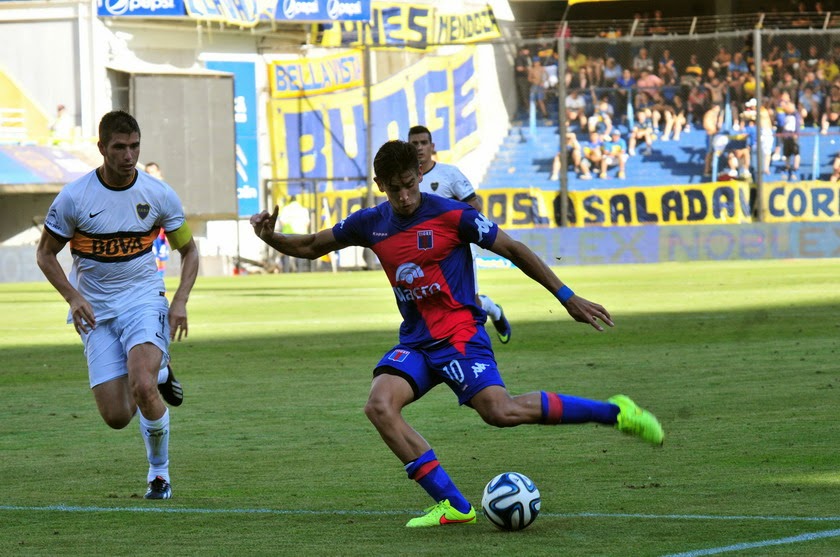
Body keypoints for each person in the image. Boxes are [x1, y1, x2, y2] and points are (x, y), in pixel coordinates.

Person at [250, 139, 664, 528]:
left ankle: (616, 412)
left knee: (499, 413)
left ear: (419, 175)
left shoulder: (452, 214)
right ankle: (453, 504)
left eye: (410, 185)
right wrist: (270, 237)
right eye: (394, 190)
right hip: (415, 341)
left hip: (460, 336)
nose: (405, 196)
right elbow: (308, 246)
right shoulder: (370, 223)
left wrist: (567, 296)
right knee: (379, 406)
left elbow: (515, 249)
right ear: (380, 186)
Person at [35, 111, 199, 500]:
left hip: (143, 299)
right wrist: (73, 297)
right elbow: (45, 254)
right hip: (95, 309)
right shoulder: (74, 198)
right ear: (102, 149)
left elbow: (190, 252)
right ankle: (160, 373)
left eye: (135, 146)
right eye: (119, 147)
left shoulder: (159, 194)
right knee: (117, 417)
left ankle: (158, 474)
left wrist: (179, 301)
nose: (129, 156)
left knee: (141, 384)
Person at [407, 125, 511, 344]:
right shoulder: (405, 181)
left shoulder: (449, 174)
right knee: (429, 302)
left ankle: (491, 311)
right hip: (420, 254)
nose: (419, 148)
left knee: (469, 302)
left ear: (432, 146)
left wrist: (450, 223)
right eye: (414, 144)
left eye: (423, 143)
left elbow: (475, 204)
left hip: (456, 251)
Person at [144, 162, 170, 277]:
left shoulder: (165, 190)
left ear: (158, 173)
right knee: (151, 259)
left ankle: (160, 284)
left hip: (161, 232)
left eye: (152, 172)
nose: (150, 175)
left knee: (161, 258)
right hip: (147, 232)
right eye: (147, 173)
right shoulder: (142, 190)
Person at [278, 194, 311, 272]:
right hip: (301, 232)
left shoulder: (285, 209)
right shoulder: (303, 209)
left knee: (286, 251)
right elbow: (307, 222)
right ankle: (300, 270)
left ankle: (286, 270)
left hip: (288, 233)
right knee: (300, 251)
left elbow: (282, 221)